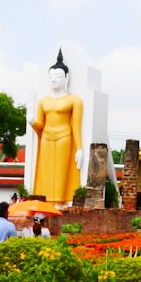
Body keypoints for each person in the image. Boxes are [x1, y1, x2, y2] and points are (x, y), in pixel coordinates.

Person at [29, 50, 84, 204]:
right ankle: (44, 201)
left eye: (58, 76)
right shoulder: (43, 101)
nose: (54, 80)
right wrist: (32, 122)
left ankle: (60, 201)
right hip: (46, 138)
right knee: (45, 172)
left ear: (67, 78)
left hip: (64, 137)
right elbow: (40, 125)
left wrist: (79, 148)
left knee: (60, 172)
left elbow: (76, 125)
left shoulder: (74, 100)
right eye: (51, 76)